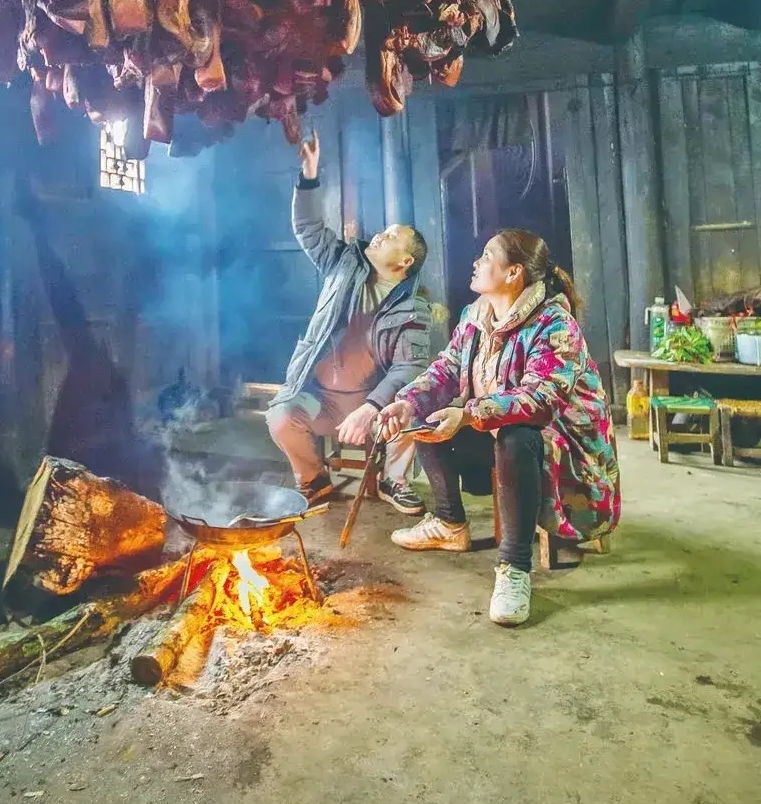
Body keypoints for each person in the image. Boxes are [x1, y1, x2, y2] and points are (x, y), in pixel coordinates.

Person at [378, 229, 621, 627]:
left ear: (514, 273)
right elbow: (446, 369)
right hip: (494, 426)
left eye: (487, 256)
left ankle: (514, 568)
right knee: (427, 417)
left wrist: (470, 414)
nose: (476, 263)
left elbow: (540, 399)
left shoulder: (554, 324)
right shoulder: (475, 317)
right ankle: (449, 523)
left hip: (564, 448)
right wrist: (406, 402)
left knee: (516, 433)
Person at [266, 128, 442, 512]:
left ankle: (393, 480)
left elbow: (409, 368)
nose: (380, 234)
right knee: (279, 417)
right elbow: (308, 228)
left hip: (374, 406)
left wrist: (373, 406)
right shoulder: (343, 262)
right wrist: (310, 176)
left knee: (415, 405)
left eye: (392, 236)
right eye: (384, 231)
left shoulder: (414, 308)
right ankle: (315, 481)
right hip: (322, 399)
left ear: (405, 262)